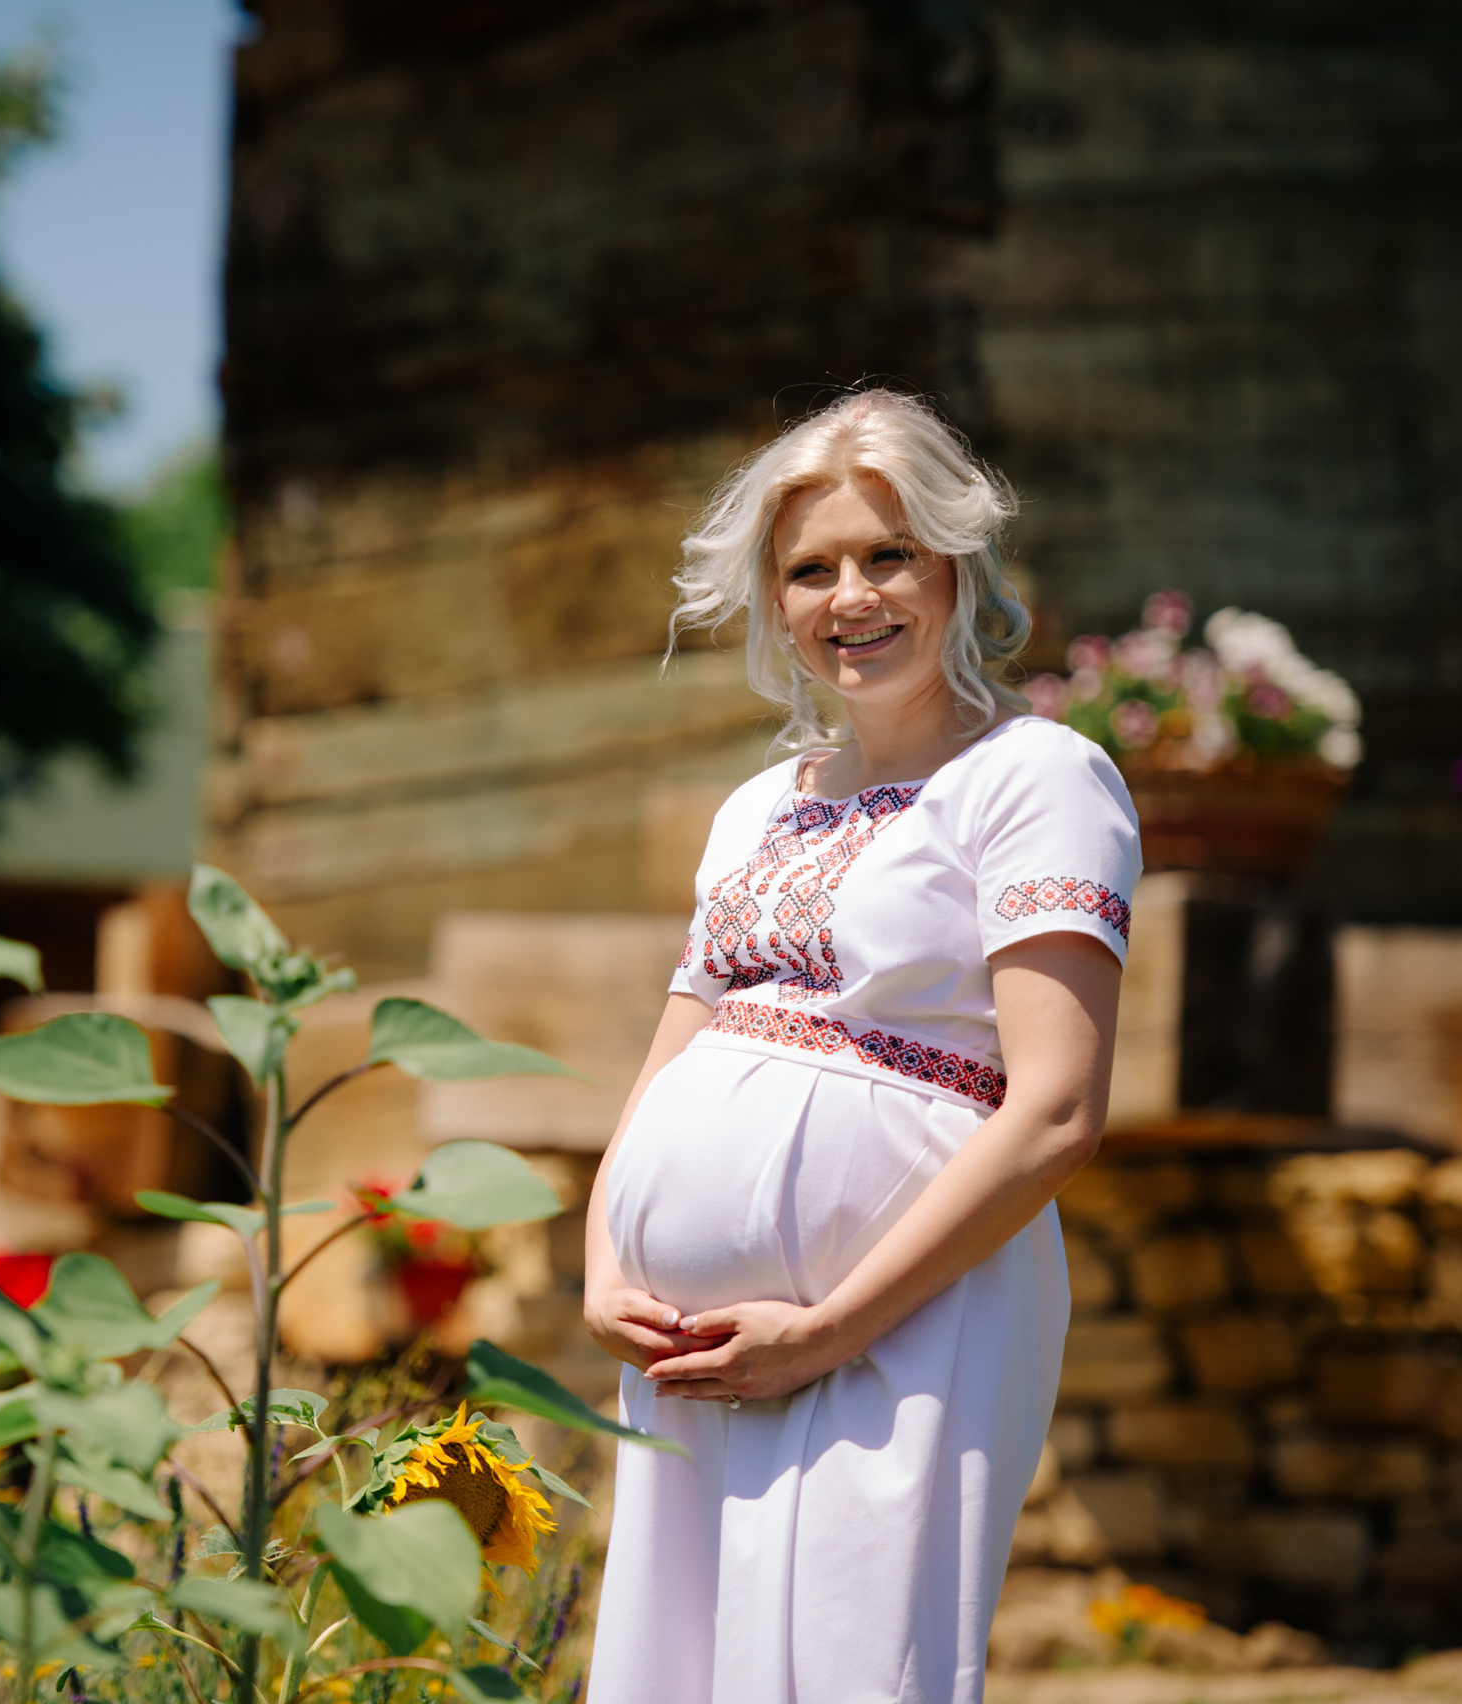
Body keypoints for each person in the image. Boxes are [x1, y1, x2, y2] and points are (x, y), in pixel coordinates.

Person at [581, 389, 1139, 1704]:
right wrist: (603, 1262)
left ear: (954, 561)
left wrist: (828, 1329)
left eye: (887, 555)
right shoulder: (755, 809)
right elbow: (672, 1060)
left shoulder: (1037, 777)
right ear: (775, 601)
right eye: (810, 569)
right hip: (683, 1345)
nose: (852, 597)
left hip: (898, 1328)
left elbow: (1058, 1110)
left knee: (841, 1673)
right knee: (674, 1678)